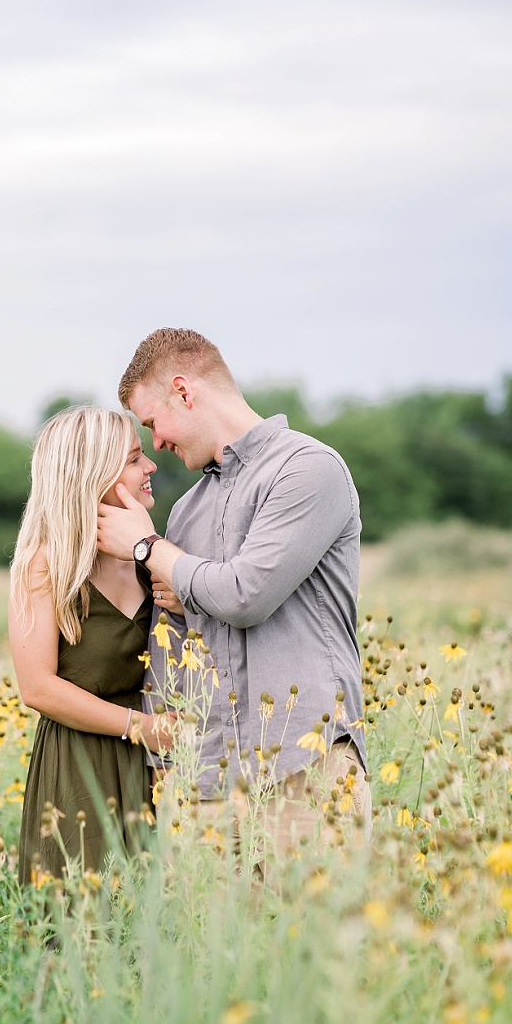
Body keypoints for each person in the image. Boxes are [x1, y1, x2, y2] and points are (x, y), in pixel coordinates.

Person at [95, 328, 369, 853]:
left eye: (153, 422)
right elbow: (171, 648)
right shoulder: (186, 510)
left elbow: (246, 595)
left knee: (319, 935)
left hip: (304, 770)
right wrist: (168, 771)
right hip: (205, 788)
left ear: (184, 390)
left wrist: (153, 551)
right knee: (206, 937)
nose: (157, 444)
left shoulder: (307, 469)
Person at [8, 406, 177, 887]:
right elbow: (38, 687)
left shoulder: (153, 554)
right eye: (134, 458)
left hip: (160, 766)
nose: (151, 467)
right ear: (92, 473)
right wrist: (141, 728)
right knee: (84, 929)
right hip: (81, 768)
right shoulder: (44, 566)